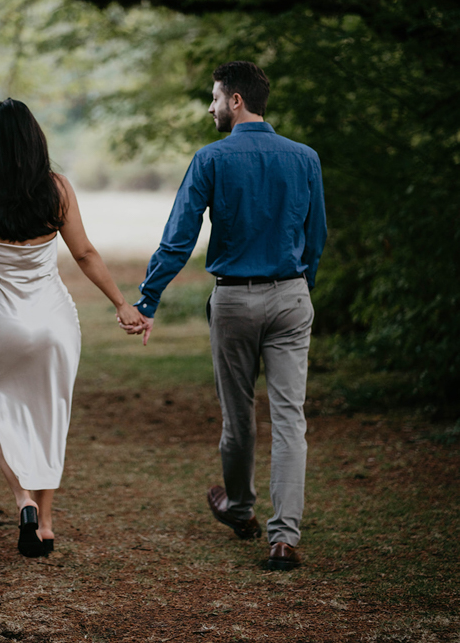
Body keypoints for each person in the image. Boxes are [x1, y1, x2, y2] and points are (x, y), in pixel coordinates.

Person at [122, 61, 326, 570]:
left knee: (238, 418)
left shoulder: (210, 159)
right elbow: (316, 236)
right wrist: (301, 290)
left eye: (214, 98)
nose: (210, 108)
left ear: (235, 100)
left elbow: (178, 238)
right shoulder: (305, 158)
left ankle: (239, 508)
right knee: (289, 419)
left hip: (234, 301)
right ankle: (283, 539)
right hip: (292, 296)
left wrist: (147, 301)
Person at [0, 99, 147, 558]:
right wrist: (122, 303)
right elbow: (84, 253)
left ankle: (22, 500)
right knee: (50, 419)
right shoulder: (56, 189)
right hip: (55, 324)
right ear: (34, 138)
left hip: (1, 325)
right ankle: (46, 525)